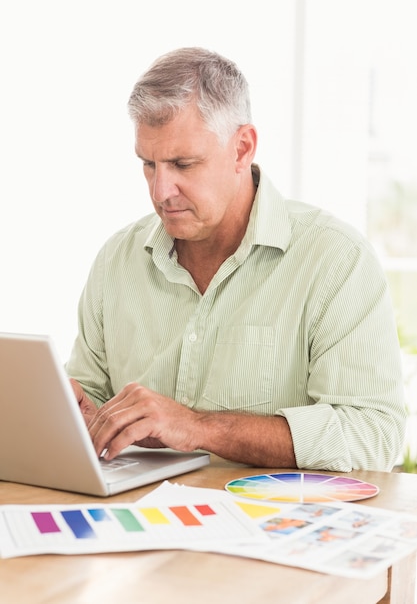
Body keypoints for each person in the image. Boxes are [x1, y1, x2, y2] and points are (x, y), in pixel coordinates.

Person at [67, 46, 406, 472]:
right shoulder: (118, 260)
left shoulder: (336, 260)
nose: (160, 191)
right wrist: (71, 413)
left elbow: (374, 435)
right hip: (139, 524)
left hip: (275, 529)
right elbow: (92, 399)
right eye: (149, 164)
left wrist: (199, 427)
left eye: (182, 164)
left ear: (242, 148)